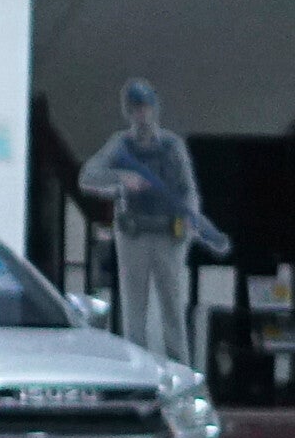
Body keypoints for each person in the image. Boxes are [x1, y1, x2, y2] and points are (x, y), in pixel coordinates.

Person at [77, 77, 229, 371]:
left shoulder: (171, 146)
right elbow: (89, 175)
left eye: (146, 107)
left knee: (172, 307)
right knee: (135, 310)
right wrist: (121, 178)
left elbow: (187, 191)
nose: (141, 114)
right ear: (129, 112)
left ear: (154, 109)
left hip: (169, 234)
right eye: (136, 108)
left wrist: (188, 222)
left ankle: (179, 370)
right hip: (134, 234)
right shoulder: (121, 145)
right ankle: (137, 372)